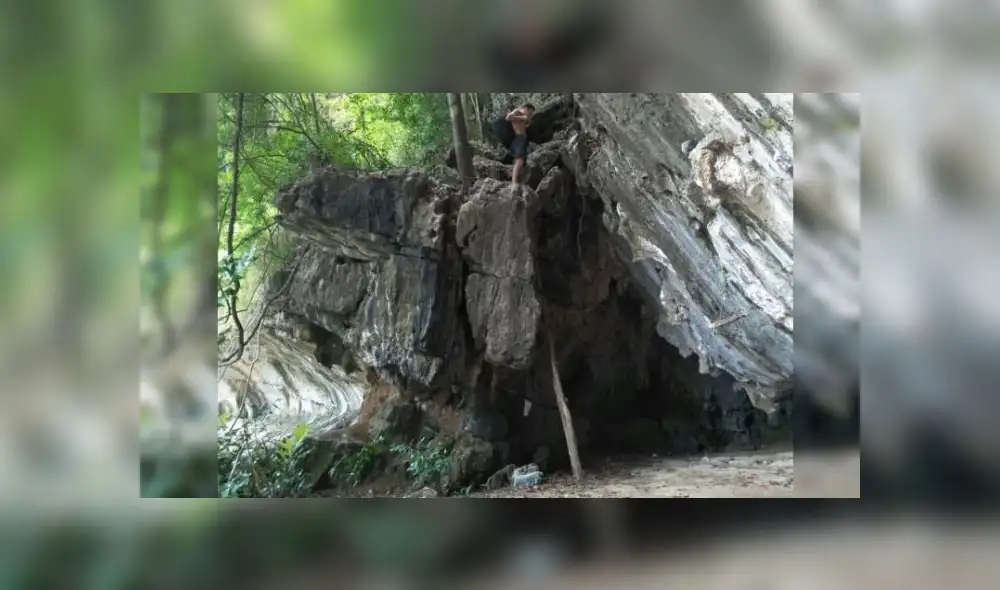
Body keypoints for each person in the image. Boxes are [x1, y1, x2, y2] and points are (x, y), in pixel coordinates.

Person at [504, 103, 535, 187]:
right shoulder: (517, 111)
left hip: (522, 140)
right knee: (519, 162)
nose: (531, 114)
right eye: (530, 112)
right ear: (526, 109)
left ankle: (518, 182)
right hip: (519, 139)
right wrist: (515, 117)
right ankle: (514, 185)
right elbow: (508, 117)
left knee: (522, 163)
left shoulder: (522, 116)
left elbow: (527, 120)